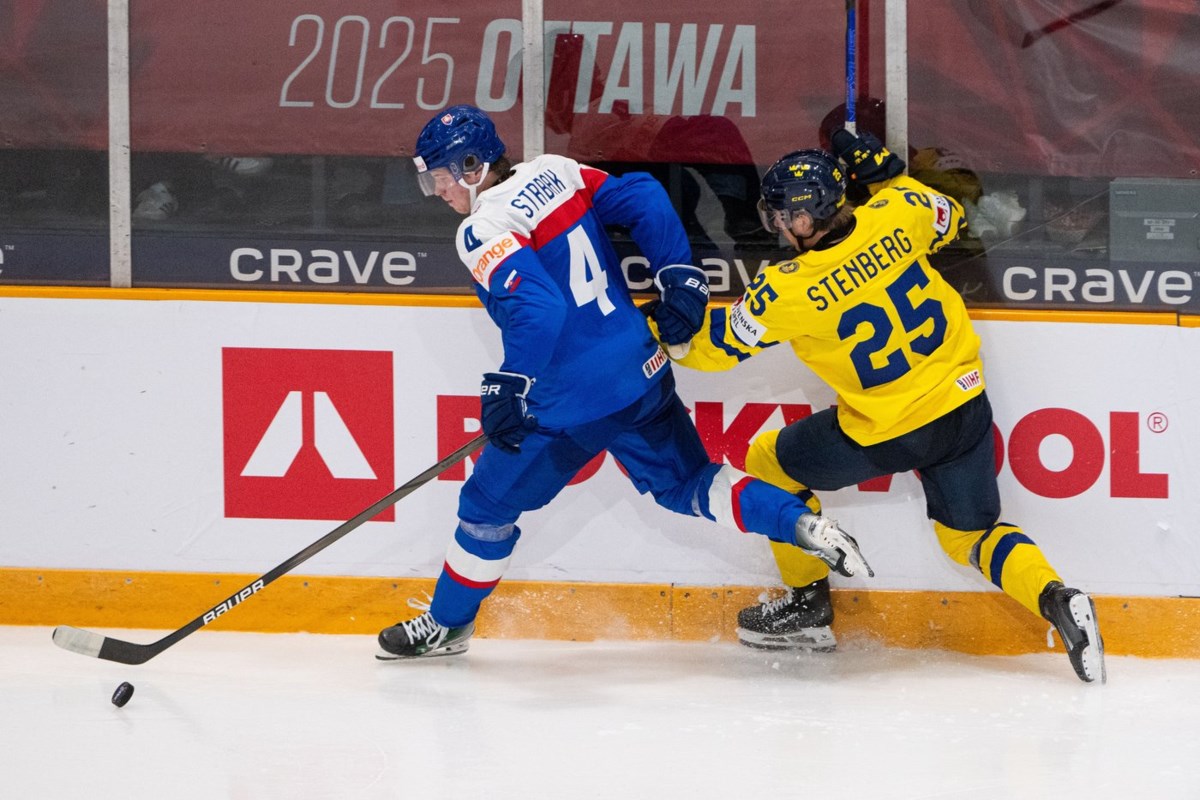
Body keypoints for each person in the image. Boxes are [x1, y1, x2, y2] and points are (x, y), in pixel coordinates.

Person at [376, 105, 873, 660]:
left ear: (473, 166)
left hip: (570, 403)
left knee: (486, 506)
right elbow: (642, 195)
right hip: (642, 368)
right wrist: (679, 276)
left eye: (442, 176)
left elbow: (538, 309)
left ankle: (446, 626)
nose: (438, 190)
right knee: (688, 483)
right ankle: (798, 522)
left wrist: (509, 384)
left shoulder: (482, 228)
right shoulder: (554, 171)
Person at [659, 130, 1105, 683]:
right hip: (965, 410)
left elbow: (712, 352)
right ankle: (1058, 597)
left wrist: (659, 325)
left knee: (771, 459)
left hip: (891, 430)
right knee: (969, 537)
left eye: (781, 215)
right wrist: (889, 176)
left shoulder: (787, 290)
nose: (774, 224)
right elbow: (948, 215)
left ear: (805, 218)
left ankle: (807, 608)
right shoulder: (898, 210)